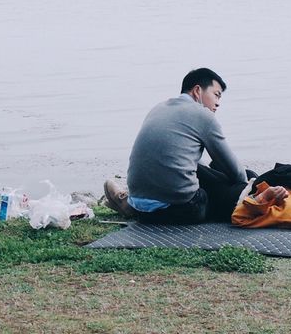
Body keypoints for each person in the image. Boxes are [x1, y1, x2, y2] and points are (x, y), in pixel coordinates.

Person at [104, 67, 251, 224]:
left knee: (199, 168)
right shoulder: (203, 115)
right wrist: (246, 184)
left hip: (142, 209)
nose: (218, 103)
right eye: (216, 95)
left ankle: (128, 204)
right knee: (234, 178)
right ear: (197, 91)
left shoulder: (158, 108)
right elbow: (236, 172)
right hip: (183, 211)